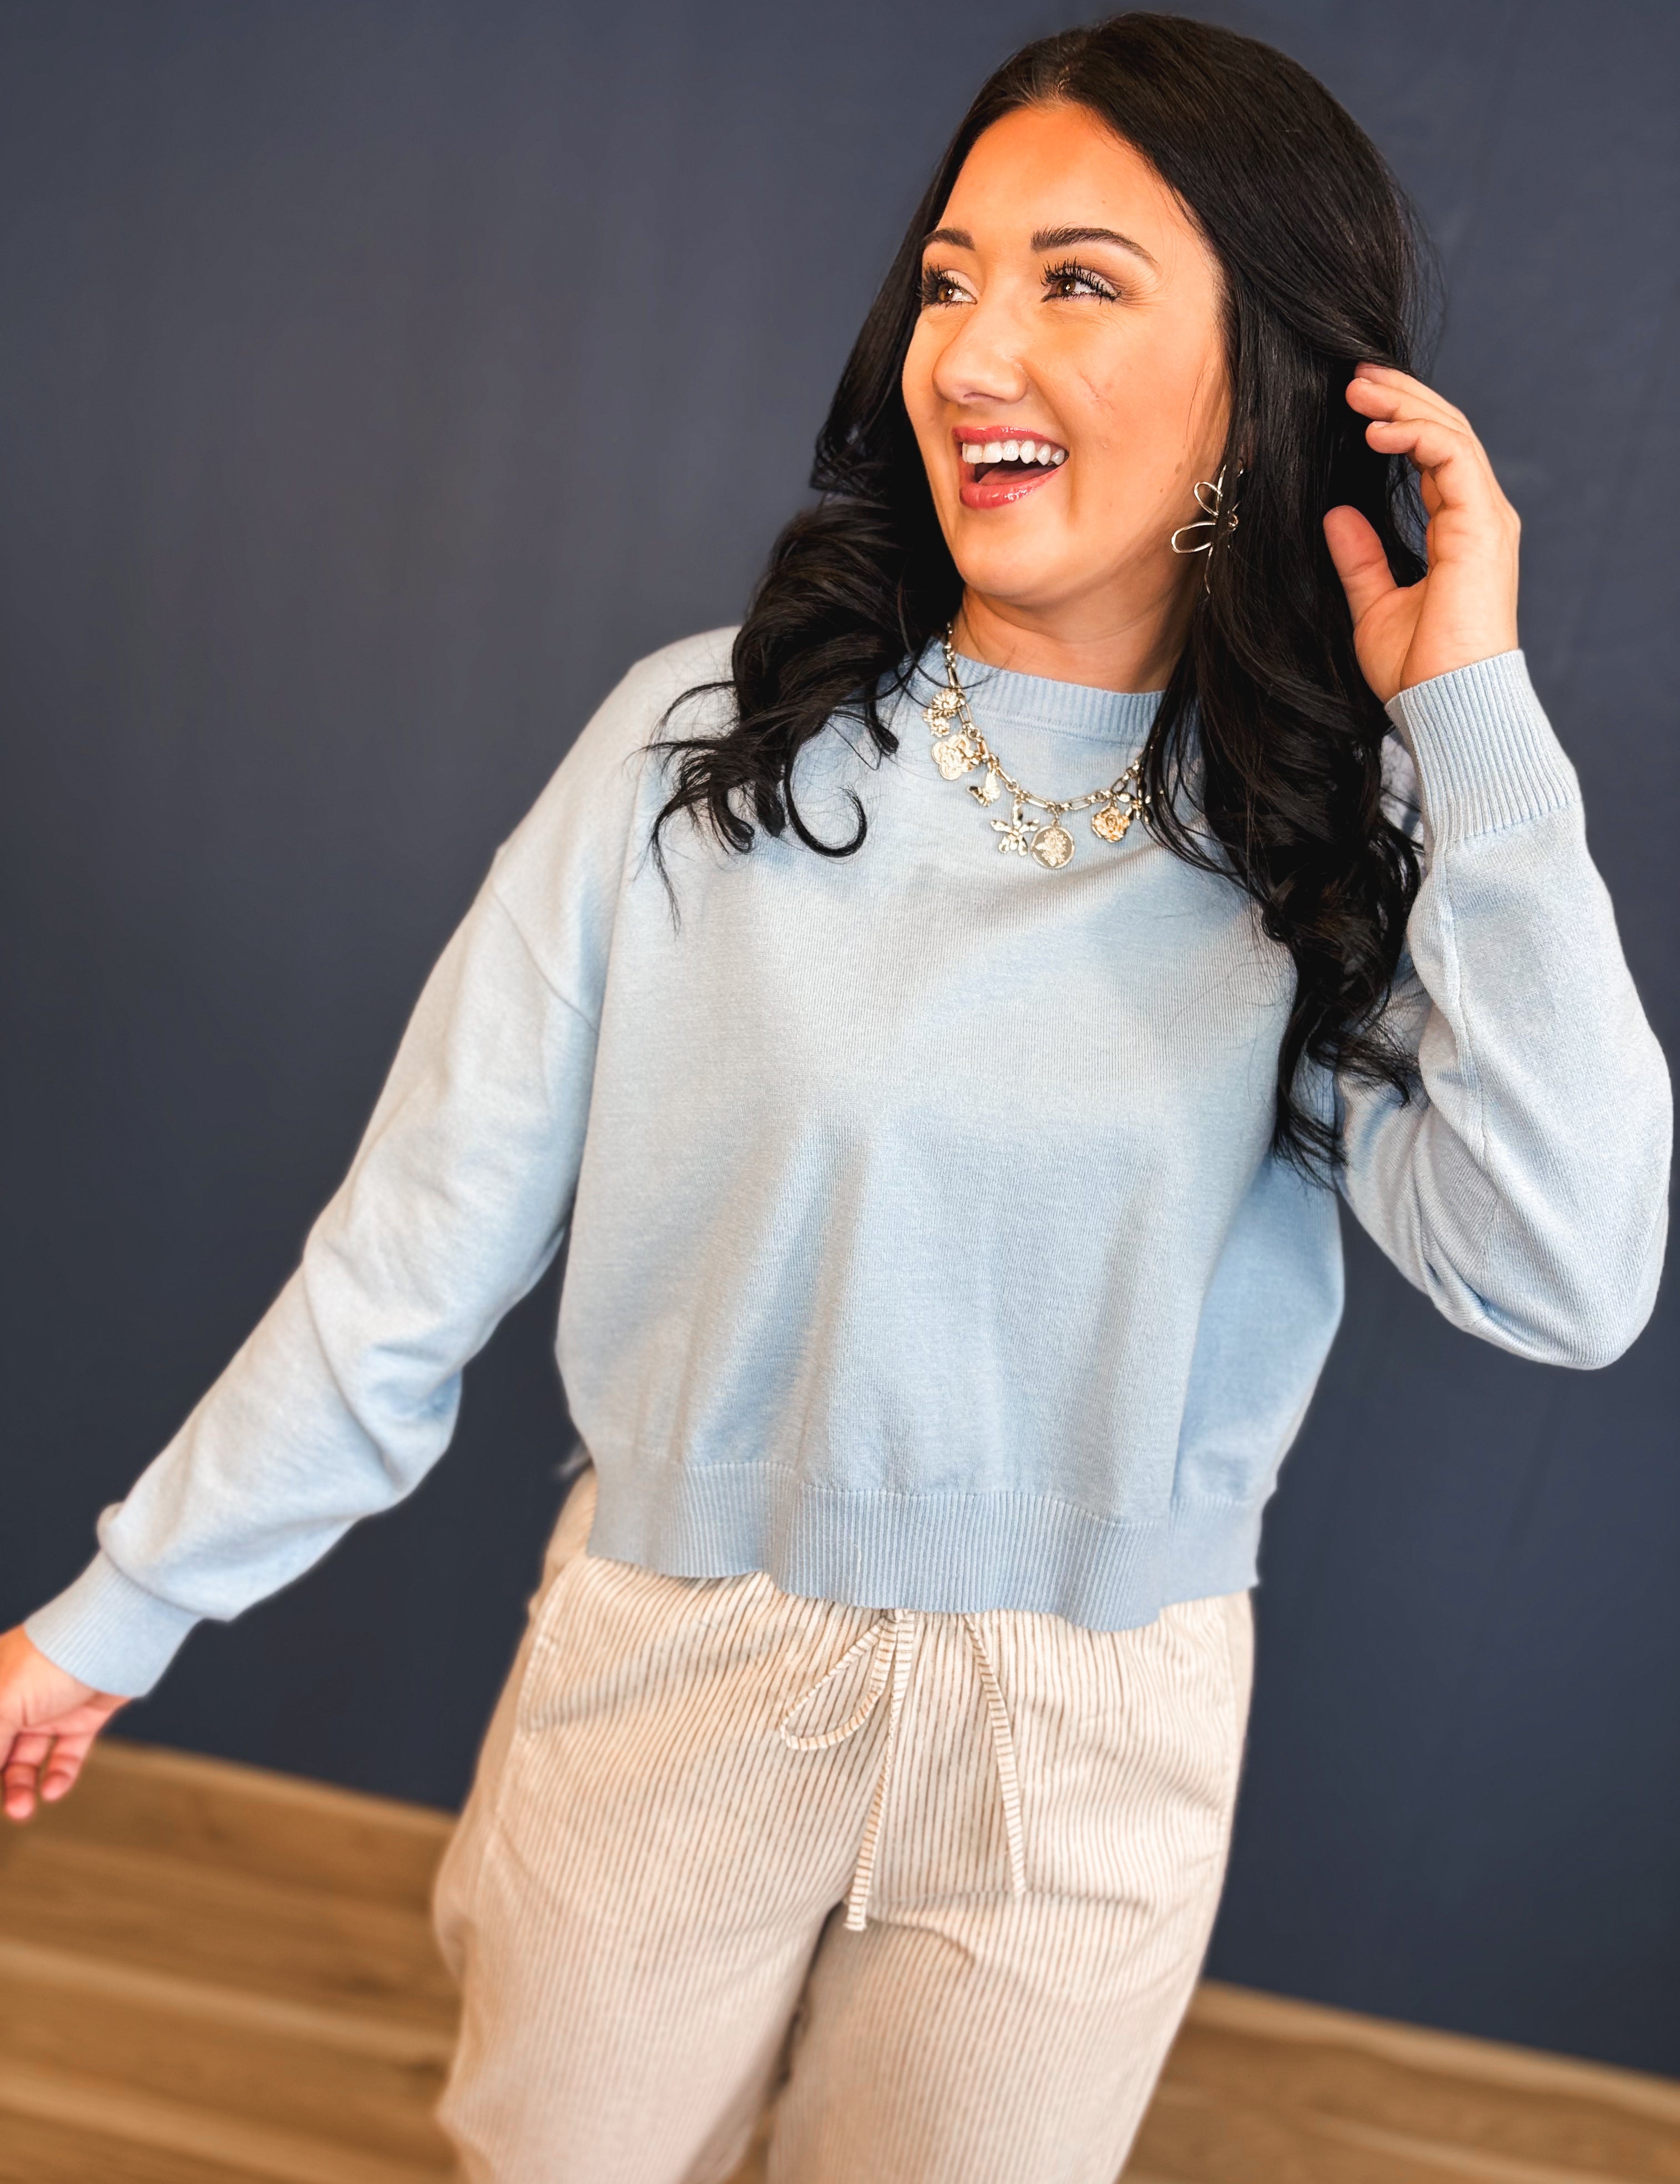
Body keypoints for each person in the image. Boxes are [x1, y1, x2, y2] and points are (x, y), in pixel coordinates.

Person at [2, 13, 1669, 2183]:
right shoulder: (700, 745)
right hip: (677, 1683)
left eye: (1078, 281)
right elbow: (413, 1248)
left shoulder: (1326, 828)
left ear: (1261, 378)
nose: (976, 349)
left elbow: (1571, 1271)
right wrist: (115, 1611)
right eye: (951, 277)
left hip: (1093, 1746)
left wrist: (1477, 727)